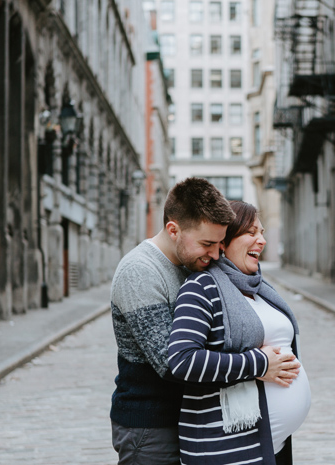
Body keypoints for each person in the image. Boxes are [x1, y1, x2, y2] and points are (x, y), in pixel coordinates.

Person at [110, 178, 298, 465]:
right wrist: (260, 364)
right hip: (152, 426)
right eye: (207, 244)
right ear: (173, 230)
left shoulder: (192, 264)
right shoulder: (140, 272)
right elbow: (172, 364)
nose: (214, 254)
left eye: (220, 244)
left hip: (188, 419)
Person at [168, 201, 311, 465]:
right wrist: (261, 363)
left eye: (263, 233)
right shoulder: (201, 287)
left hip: (268, 445)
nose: (262, 241)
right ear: (223, 241)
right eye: (252, 232)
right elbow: (183, 360)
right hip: (226, 448)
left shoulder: (259, 289)